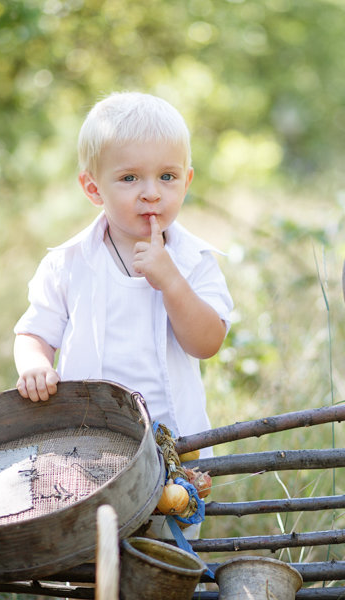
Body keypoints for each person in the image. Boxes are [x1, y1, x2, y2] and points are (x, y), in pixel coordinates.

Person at [13, 91, 233, 461]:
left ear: (187, 181)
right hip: (88, 442)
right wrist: (35, 365)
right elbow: (34, 332)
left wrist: (172, 282)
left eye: (167, 176)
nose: (151, 193)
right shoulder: (68, 264)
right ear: (93, 189)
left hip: (175, 444)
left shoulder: (194, 261)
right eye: (130, 178)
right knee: (95, 518)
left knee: (171, 516)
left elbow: (207, 343)